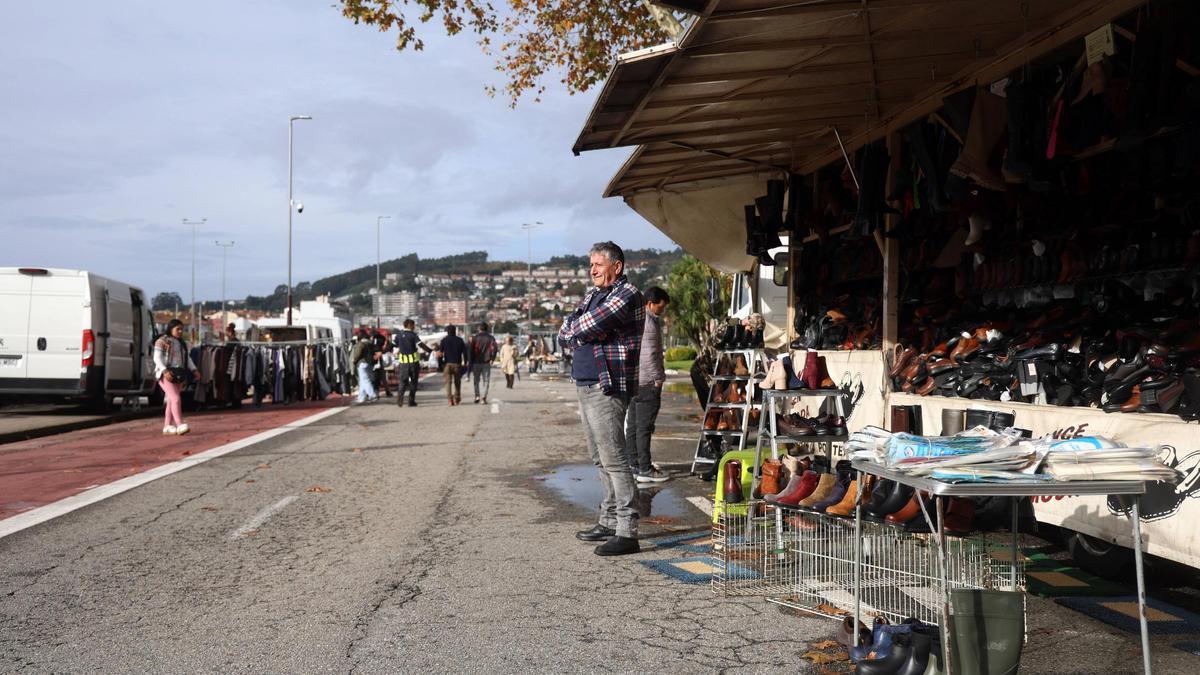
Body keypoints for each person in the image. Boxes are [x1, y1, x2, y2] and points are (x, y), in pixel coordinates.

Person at [559, 241, 645, 557]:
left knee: (614, 458)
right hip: (585, 382)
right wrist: (580, 329)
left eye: (598, 264)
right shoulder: (594, 295)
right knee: (599, 457)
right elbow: (565, 331)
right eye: (591, 264)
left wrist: (581, 329)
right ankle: (608, 520)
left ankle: (627, 530)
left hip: (606, 386)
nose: (592, 270)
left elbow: (587, 324)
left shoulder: (627, 294)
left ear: (616, 266)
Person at [625, 286, 671, 483]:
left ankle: (632, 464)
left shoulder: (634, 320)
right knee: (644, 427)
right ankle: (645, 469)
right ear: (650, 304)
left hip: (634, 381)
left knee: (633, 426)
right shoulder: (649, 324)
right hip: (647, 382)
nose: (662, 311)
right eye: (660, 307)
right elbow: (650, 356)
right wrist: (658, 380)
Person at [153, 319, 200, 435]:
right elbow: (156, 358)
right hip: (166, 374)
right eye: (177, 329)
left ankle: (167, 426)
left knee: (170, 400)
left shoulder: (182, 343)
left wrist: (194, 370)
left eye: (181, 329)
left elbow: (187, 359)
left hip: (178, 374)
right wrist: (164, 371)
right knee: (175, 398)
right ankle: (179, 424)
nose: (180, 332)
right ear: (170, 328)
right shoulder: (162, 341)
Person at [393, 319, 433, 407]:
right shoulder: (413, 335)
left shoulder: (398, 335)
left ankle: (400, 401)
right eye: (414, 325)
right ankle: (411, 401)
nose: (414, 327)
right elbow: (421, 344)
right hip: (413, 363)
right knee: (413, 382)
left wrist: (382, 351)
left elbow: (392, 345)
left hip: (403, 363)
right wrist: (430, 351)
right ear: (410, 325)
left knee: (402, 381)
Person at [437, 325, 468, 406]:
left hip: (447, 364)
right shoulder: (460, 340)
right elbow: (465, 352)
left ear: (447, 331)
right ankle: (457, 398)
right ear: (455, 331)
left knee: (448, 383)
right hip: (457, 364)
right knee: (457, 382)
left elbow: (440, 354)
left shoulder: (444, 340)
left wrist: (441, 364)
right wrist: (465, 362)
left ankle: (450, 399)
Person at [468, 322, 498, 404]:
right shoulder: (491, 338)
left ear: (479, 329)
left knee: (476, 380)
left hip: (476, 362)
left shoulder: (474, 338)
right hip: (486, 361)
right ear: (487, 329)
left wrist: (470, 361)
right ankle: (483, 398)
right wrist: (492, 358)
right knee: (486, 380)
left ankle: (477, 396)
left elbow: (471, 350)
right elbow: (494, 348)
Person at [350, 330, 378, 403]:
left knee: (365, 380)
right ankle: (361, 398)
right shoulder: (371, 343)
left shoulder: (361, 344)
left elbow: (357, 354)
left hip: (362, 363)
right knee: (363, 381)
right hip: (370, 363)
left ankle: (373, 395)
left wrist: (354, 360)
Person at [223, 322, 243, 409]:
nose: (226, 334)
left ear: (229, 332)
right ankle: (237, 401)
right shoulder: (237, 341)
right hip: (237, 364)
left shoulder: (231, 342)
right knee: (236, 384)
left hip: (231, 365)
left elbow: (227, 354)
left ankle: (233, 402)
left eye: (226, 332)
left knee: (232, 384)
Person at [371, 327, 393, 398]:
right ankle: (387, 391)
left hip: (374, 358)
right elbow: (384, 345)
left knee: (375, 376)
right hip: (379, 358)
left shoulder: (372, 340)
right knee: (382, 376)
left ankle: (376, 392)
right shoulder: (382, 339)